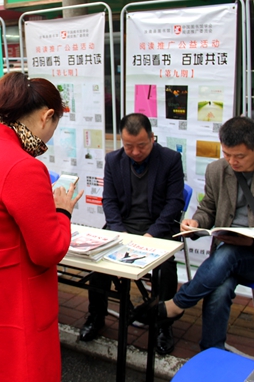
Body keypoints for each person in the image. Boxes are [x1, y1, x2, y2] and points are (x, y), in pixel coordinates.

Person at [0, 72, 83, 381]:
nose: (50, 135)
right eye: (54, 125)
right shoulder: (24, 166)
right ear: (46, 116)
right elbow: (48, 250)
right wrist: (62, 213)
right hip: (15, 306)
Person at [143, 116, 254, 351]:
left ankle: (178, 303)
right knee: (220, 287)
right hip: (223, 258)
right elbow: (209, 209)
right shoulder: (217, 169)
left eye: (239, 156)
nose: (232, 162)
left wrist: (253, 238)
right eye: (227, 154)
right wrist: (196, 222)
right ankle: (211, 351)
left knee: (231, 253)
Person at [78, 113, 184, 356]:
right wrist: (120, 232)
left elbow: (174, 203)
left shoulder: (170, 159)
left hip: (157, 228)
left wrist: (152, 234)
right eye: (128, 146)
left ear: (152, 138)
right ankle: (96, 315)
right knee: (97, 263)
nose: (135, 152)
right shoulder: (113, 160)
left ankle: (163, 326)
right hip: (123, 226)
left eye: (142, 146)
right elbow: (110, 202)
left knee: (166, 268)